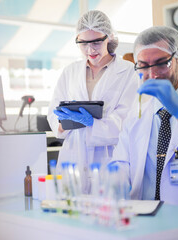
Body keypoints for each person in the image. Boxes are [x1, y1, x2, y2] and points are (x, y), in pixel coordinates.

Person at [110, 26, 178, 208]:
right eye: (143, 66)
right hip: (145, 224)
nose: (152, 75)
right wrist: (113, 180)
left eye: (162, 63)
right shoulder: (136, 115)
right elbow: (122, 163)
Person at [47, 10, 138, 193]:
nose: (90, 50)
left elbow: (128, 119)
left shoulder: (129, 71)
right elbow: (53, 111)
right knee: (70, 213)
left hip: (109, 156)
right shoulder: (70, 71)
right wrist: (62, 123)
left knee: (107, 211)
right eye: (83, 43)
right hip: (74, 155)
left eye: (96, 42)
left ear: (109, 38)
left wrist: (92, 123)